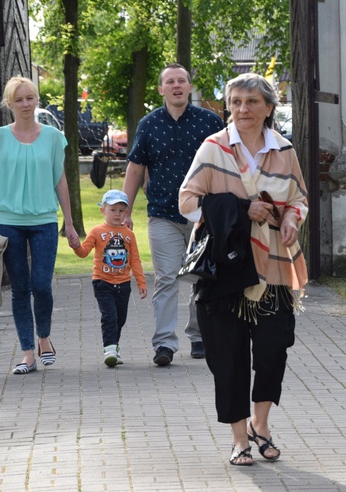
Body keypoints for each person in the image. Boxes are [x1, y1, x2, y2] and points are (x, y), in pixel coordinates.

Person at [178, 73, 308, 466]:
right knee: (228, 356)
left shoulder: (284, 149)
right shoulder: (213, 147)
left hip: (274, 267)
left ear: (269, 108)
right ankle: (239, 440)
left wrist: (291, 220)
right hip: (224, 270)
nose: (242, 110)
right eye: (235, 102)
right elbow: (186, 203)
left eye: (251, 102)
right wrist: (238, 209)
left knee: (273, 349)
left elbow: (299, 198)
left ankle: (260, 424)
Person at [122, 63, 224, 365]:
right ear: (161, 89)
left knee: (201, 277)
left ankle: (199, 336)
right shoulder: (149, 124)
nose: (177, 85)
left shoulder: (210, 122)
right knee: (166, 279)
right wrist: (124, 209)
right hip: (163, 214)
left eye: (182, 81)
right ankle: (164, 344)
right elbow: (136, 168)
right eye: (170, 81)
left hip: (203, 215)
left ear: (190, 88)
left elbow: (227, 163)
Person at [0, 76, 79, 375]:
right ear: (9, 103)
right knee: (20, 288)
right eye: (19, 99)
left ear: (37, 100)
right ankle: (27, 354)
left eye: (30, 98)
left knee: (41, 285)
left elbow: (59, 180)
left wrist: (70, 224)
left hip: (44, 221)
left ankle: (44, 338)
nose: (25, 104)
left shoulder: (52, 137)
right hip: (9, 223)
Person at [71, 189, 148, 367]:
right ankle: (109, 349)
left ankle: (115, 346)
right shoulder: (97, 231)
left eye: (122, 210)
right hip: (102, 282)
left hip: (123, 284)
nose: (117, 214)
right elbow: (83, 252)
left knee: (120, 318)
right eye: (113, 210)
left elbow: (135, 260)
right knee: (109, 316)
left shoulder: (129, 234)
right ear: (103, 210)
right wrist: (75, 246)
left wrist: (141, 282)